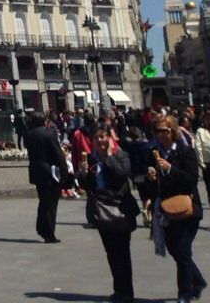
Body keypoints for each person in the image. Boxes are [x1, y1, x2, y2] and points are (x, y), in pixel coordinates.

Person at [149, 114, 206, 303]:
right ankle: (197, 280)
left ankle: (184, 293)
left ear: (172, 131)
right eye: (158, 131)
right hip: (167, 209)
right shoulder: (155, 152)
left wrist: (170, 169)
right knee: (176, 250)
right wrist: (151, 176)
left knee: (182, 251)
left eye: (164, 131)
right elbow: (155, 182)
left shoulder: (185, 151)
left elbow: (191, 179)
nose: (161, 135)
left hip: (188, 208)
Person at [80, 126, 139, 303]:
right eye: (97, 138)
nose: (101, 141)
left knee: (122, 252)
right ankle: (118, 289)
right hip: (101, 210)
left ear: (110, 138)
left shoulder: (121, 155)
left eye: (103, 137)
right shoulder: (91, 160)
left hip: (119, 208)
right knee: (111, 252)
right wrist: (83, 175)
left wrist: (108, 157)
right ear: (92, 141)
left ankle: (126, 292)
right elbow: (89, 187)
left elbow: (121, 174)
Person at [25, 111, 70, 243]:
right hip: (51, 173)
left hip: (37, 172)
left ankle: (42, 228)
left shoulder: (29, 135)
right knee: (51, 204)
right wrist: (64, 172)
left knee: (43, 201)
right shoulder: (49, 134)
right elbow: (58, 154)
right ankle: (49, 233)